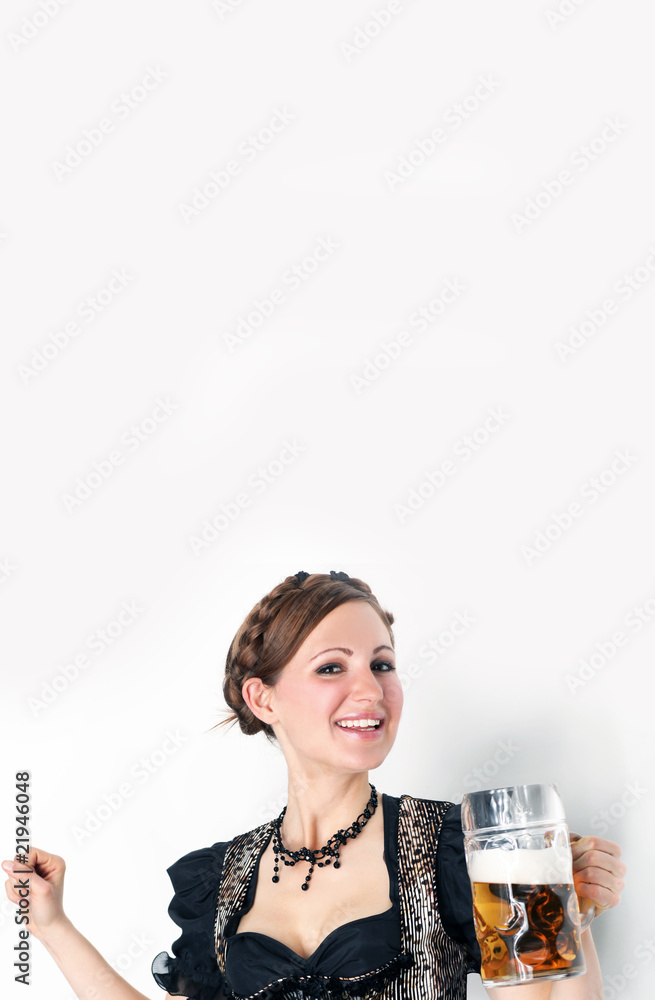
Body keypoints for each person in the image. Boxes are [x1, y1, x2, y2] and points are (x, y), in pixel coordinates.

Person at [3, 570, 627, 1000]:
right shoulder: (220, 881)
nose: (371, 689)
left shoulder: (458, 849)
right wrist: (52, 925)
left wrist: (566, 915)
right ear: (263, 698)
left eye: (382, 664)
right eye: (332, 667)